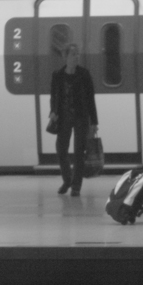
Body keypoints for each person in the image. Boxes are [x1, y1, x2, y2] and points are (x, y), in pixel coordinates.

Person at [49, 43, 98, 197]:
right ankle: (67, 179)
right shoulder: (57, 74)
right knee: (61, 149)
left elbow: (91, 99)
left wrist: (94, 122)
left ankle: (76, 186)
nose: (77, 57)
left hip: (81, 117)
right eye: (73, 54)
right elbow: (53, 96)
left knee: (78, 152)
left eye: (78, 54)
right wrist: (53, 112)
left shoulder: (84, 74)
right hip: (63, 117)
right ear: (66, 57)